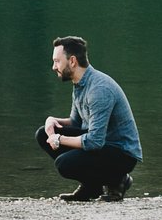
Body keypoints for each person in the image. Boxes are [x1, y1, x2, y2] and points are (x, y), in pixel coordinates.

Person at [35, 35, 141, 202]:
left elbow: (94, 141)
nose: (54, 66)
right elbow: (77, 122)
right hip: (103, 144)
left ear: (72, 61)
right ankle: (92, 187)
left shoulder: (99, 89)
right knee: (43, 134)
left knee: (64, 164)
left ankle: (118, 179)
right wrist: (53, 121)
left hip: (121, 153)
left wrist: (60, 139)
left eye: (57, 61)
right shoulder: (80, 83)